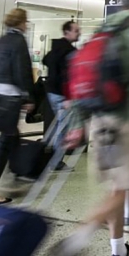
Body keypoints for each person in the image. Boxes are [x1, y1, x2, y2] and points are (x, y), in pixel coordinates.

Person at [51, 0, 129, 256]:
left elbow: (81, 75)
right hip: (125, 122)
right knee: (123, 189)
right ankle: (79, 237)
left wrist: (77, 124)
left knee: (117, 188)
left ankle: (118, 250)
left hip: (99, 122)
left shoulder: (103, 30)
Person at [0, 8, 35, 204]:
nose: (26, 25)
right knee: (6, 142)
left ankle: (17, 174)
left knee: (12, 137)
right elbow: (23, 70)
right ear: (21, 23)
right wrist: (28, 97)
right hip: (10, 98)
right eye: (26, 22)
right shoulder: (18, 41)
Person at [43, 20, 81, 171]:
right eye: (76, 30)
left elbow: (46, 60)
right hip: (62, 95)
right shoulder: (69, 52)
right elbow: (69, 77)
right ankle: (56, 162)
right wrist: (69, 97)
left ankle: (47, 155)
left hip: (51, 92)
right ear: (67, 32)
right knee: (62, 128)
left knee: (58, 125)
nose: (79, 33)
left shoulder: (56, 48)